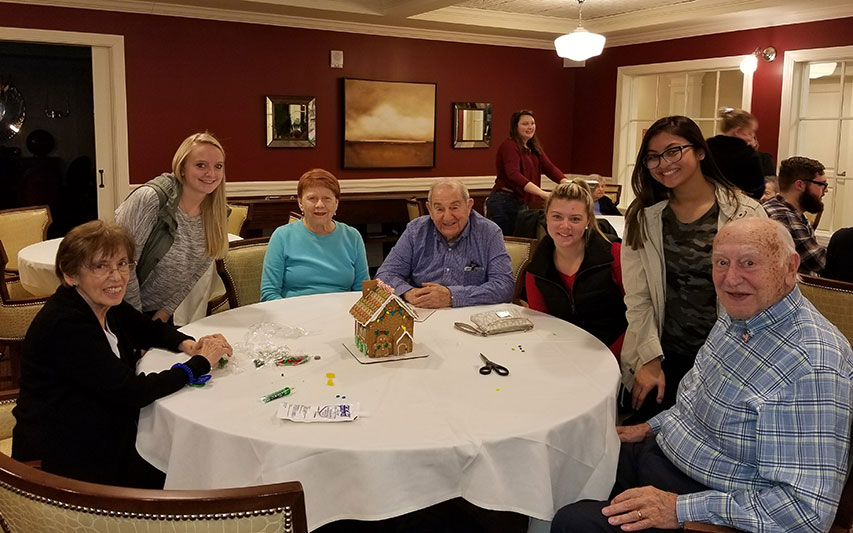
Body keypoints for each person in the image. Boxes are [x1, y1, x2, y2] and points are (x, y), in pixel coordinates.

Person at [550, 217, 853, 533]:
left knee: (575, 522)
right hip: (664, 454)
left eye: (749, 263)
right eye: (721, 262)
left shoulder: (811, 366)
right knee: (566, 461)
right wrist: (647, 427)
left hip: (711, 503)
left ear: (790, 267)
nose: (730, 278)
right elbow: (696, 399)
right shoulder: (739, 316)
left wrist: (679, 509)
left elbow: (805, 512)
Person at [12, 220, 232, 488]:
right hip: (64, 459)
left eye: (122, 264)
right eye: (100, 266)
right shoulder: (67, 325)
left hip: (97, 428)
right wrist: (198, 364)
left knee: (187, 452)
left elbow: (149, 330)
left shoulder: (104, 303)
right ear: (71, 275)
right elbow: (132, 392)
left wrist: (188, 344)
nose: (116, 276)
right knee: (189, 473)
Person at [621, 115, 765, 422]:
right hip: (664, 355)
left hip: (731, 360)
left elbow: (764, 296)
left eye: (674, 151)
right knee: (640, 448)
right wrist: (649, 359)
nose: (664, 163)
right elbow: (638, 298)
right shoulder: (644, 217)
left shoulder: (746, 212)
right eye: (653, 157)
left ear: (700, 151)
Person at [115, 132, 229, 322]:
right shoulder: (151, 199)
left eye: (218, 166)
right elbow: (124, 264)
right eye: (201, 165)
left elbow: (194, 274)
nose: (211, 174)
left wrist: (164, 313)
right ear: (182, 168)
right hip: (116, 309)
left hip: (155, 313)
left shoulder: (217, 214)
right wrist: (138, 325)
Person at [524, 180, 627, 358]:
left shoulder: (614, 254)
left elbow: (638, 316)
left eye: (575, 219)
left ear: (588, 220)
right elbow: (543, 325)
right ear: (546, 217)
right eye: (557, 217)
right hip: (565, 356)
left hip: (618, 354)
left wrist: (610, 357)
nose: (565, 226)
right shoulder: (536, 268)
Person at [376, 178, 514, 308]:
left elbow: (504, 286)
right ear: (430, 209)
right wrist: (408, 292)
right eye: (439, 209)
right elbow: (385, 274)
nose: (447, 217)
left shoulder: (489, 233)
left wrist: (452, 296)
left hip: (471, 316)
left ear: (469, 206)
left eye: (454, 208)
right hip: (423, 314)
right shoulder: (415, 231)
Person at [261, 169, 368, 300]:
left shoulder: (352, 236)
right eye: (312, 198)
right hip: (294, 313)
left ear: (336, 203)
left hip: (341, 312)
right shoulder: (282, 236)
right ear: (300, 203)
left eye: (327, 198)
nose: (319, 205)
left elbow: (362, 292)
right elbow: (269, 293)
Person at [486, 109, 567, 235]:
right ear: (515, 127)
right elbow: (513, 174)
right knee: (508, 242)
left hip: (521, 202)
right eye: (525, 124)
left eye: (532, 123)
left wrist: (566, 183)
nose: (530, 127)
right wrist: (542, 193)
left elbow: (550, 168)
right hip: (504, 201)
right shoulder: (509, 146)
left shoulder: (533, 147)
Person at [763, 156, 828, 276]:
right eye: (821, 185)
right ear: (800, 185)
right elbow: (820, 262)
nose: (825, 190)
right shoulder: (783, 216)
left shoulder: (783, 208)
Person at [705, 108, 766, 200]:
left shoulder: (707, 147)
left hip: (708, 199)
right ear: (737, 131)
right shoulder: (749, 155)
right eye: (750, 133)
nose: (751, 138)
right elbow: (757, 189)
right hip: (738, 203)